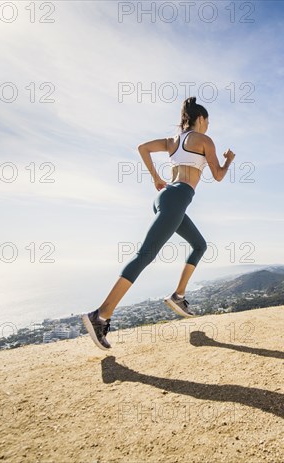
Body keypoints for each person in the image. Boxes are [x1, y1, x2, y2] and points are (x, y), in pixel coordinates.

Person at [82, 97, 236, 351]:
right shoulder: (204, 140)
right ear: (200, 119)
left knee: (199, 245)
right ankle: (99, 315)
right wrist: (228, 159)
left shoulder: (172, 142)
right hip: (177, 198)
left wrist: (156, 178)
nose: (208, 126)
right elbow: (218, 175)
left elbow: (142, 147)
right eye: (208, 121)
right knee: (144, 256)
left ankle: (178, 296)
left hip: (166, 198)